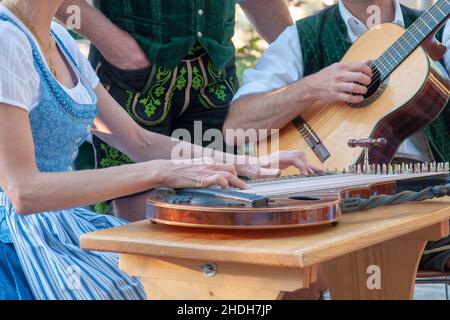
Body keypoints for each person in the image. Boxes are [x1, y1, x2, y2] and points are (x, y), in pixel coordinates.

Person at [0, 0, 318, 299]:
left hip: (60, 228)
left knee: (183, 277)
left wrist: (247, 164)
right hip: (16, 244)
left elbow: (140, 141)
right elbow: (25, 192)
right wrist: (163, 171)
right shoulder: (7, 40)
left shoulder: (58, 40)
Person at [223, 0, 450, 272]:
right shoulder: (302, 37)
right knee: (288, 260)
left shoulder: (441, 32)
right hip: (330, 204)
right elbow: (237, 127)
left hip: (429, 201)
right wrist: (313, 87)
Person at [56, 0, 294, 218]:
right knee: (142, 226)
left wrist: (296, 49)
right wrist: (115, 45)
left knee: (219, 205)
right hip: (134, 80)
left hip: (213, 77)